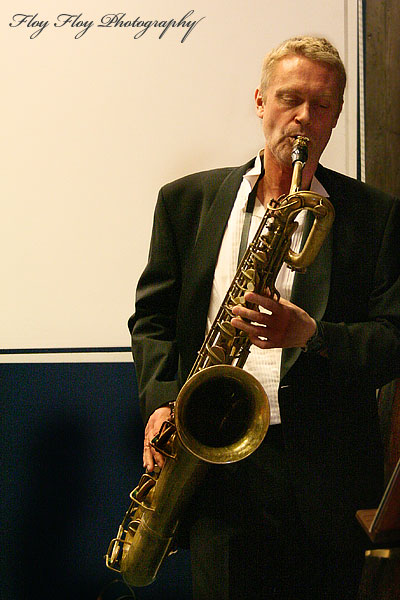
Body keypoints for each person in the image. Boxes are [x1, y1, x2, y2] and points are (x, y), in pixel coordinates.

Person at [128, 36, 400, 599]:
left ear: (336, 116)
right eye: (289, 98)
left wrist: (313, 335)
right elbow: (151, 318)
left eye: (321, 104)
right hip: (216, 466)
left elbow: (393, 340)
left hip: (324, 476)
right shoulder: (185, 202)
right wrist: (159, 402)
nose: (303, 116)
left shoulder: (376, 217)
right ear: (260, 101)